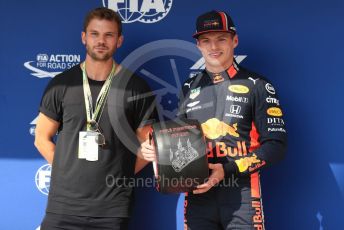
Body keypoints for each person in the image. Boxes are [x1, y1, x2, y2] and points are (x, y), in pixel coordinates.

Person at [141, 10, 287, 229]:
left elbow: (276, 146)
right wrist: (157, 152)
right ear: (198, 45)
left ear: (234, 40)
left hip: (242, 196)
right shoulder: (189, 87)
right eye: (206, 41)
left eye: (221, 39)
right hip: (197, 196)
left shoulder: (257, 84)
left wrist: (226, 171)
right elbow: (181, 141)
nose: (214, 47)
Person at [34, 7, 156, 230]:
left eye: (109, 35)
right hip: (63, 206)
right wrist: (67, 171)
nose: (101, 41)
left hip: (112, 209)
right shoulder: (62, 84)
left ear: (119, 40)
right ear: (84, 37)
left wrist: (121, 174)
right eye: (94, 34)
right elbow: (41, 137)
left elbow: (149, 146)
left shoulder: (136, 88)